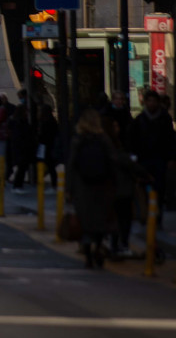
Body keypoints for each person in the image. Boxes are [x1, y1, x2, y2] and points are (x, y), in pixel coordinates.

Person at [67, 109, 116, 268]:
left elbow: (71, 165)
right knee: (100, 221)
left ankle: (88, 255)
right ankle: (98, 248)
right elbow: (112, 161)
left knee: (86, 222)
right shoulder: (104, 139)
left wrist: (69, 188)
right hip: (102, 186)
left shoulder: (78, 140)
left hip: (82, 187)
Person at [126, 90, 174, 226]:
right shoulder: (140, 120)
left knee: (159, 188)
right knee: (144, 188)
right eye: (149, 101)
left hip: (160, 159)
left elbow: (170, 139)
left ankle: (157, 217)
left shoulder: (164, 119)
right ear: (145, 102)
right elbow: (132, 140)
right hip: (144, 160)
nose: (151, 103)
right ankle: (146, 214)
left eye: (154, 101)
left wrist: (171, 158)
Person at [107, 114, 148, 257]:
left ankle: (116, 244)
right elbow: (124, 161)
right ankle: (120, 245)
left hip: (114, 187)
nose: (118, 128)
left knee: (118, 218)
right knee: (123, 218)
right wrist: (144, 174)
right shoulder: (112, 146)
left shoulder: (112, 144)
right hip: (120, 187)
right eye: (115, 126)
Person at [9, 100, 37, 191]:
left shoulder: (19, 121)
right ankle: (17, 185)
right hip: (22, 149)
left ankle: (18, 185)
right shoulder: (19, 122)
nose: (27, 113)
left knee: (22, 168)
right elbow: (21, 136)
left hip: (22, 148)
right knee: (22, 168)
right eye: (26, 111)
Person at [36, 104, 59, 190]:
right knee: (48, 165)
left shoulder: (47, 122)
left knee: (49, 165)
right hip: (46, 146)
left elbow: (45, 135)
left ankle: (53, 184)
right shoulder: (48, 121)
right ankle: (49, 182)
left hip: (46, 146)